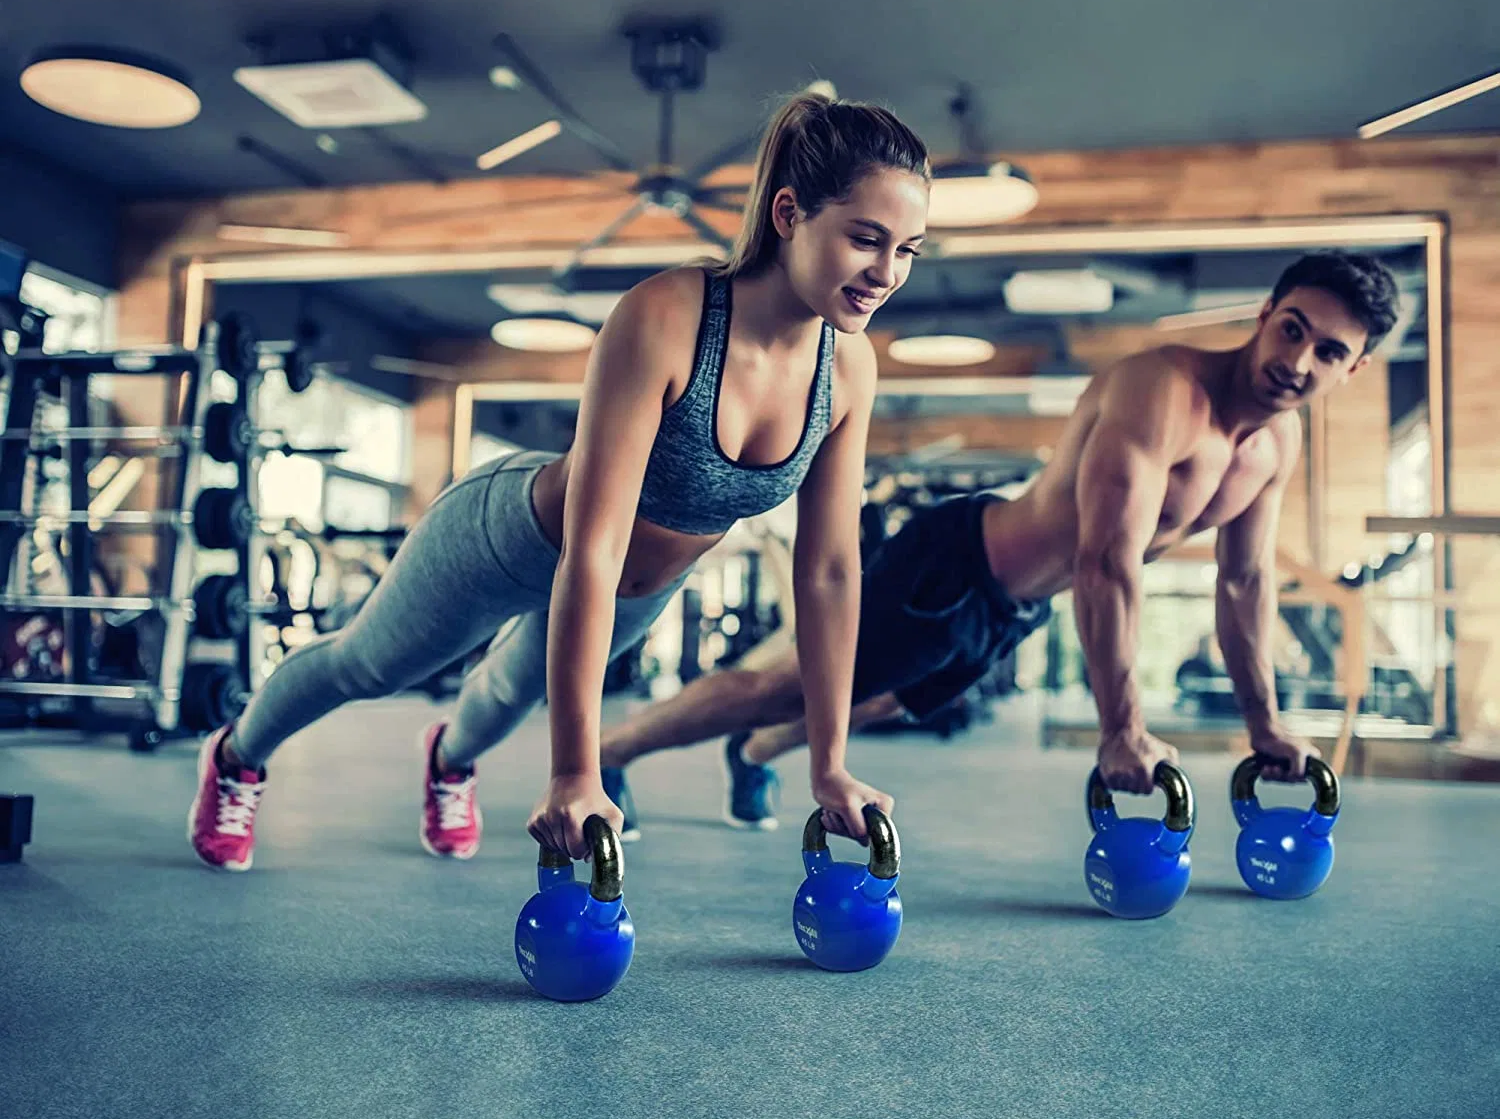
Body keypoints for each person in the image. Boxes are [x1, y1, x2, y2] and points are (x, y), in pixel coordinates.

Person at [187, 91, 931, 871]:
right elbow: (593, 548)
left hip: (638, 592)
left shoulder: (848, 368)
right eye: (866, 239)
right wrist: (575, 772)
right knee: (369, 665)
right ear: (788, 213)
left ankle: (448, 760)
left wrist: (828, 762)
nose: (885, 273)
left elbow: (829, 570)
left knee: (506, 699)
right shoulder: (669, 317)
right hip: (514, 538)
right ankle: (237, 754)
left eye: (908, 250)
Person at [596, 249, 1401, 825]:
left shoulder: (1275, 446)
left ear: (1353, 370)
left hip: (1014, 607)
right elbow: (1106, 559)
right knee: (802, 688)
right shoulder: (1162, 391)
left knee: (881, 703)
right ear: (1264, 315)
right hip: (957, 564)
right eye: (1292, 329)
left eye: (1329, 352)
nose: (1299, 359)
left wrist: (1264, 725)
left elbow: (1243, 583)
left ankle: (750, 756)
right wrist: (1121, 728)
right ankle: (613, 751)